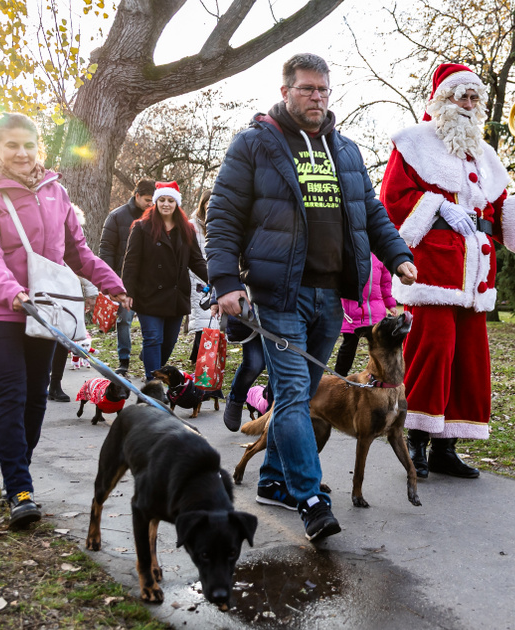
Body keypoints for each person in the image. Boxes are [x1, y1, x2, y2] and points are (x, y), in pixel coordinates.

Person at [206, 53, 417, 542]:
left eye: (322, 89)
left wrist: (397, 254)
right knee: (298, 396)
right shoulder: (255, 145)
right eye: (306, 89)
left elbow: (372, 212)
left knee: (292, 396)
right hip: (280, 293)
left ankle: (274, 480)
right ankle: (309, 497)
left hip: (330, 297)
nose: (316, 97)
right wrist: (225, 282)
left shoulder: (344, 151)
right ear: (286, 92)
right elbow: (223, 216)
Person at [0, 112, 129, 529]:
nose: (21, 153)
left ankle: (19, 471)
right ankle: (19, 487)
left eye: (28, 145)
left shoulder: (56, 192)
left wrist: (113, 284)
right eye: (12, 145)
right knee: (11, 392)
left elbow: (78, 251)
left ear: (40, 148)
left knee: (36, 395)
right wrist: (10, 291)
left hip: (47, 307)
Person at [381, 63, 515, 479]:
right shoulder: (413, 143)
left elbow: (495, 209)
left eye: (474, 98)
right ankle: (413, 440)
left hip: (475, 276)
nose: (468, 105)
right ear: (442, 100)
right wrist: (438, 205)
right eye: (461, 97)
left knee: (468, 360)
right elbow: (393, 199)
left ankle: (445, 447)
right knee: (432, 353)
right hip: (432, 271)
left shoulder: (486, 155)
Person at [122, 181, 208, 380]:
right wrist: (127, 292)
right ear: (156, 202)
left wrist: (218, 280)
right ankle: (153, 386)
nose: (166, 204)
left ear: (176, 203)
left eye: (170, 200)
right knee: (153, 338)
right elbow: (131, 263)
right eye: (162, 200)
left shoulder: (186, 229)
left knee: (168, 343)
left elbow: (196, 261)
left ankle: (153, 366)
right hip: (149, 295)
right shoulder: (142, 227)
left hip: (175, 297)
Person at [98, 179, 156, 376]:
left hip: (150, 282)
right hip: (124, 280)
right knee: (124, 321)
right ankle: (124, 359)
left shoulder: (157, 217)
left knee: (154, 322)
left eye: (153, 201)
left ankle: (147, 353)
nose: (151, 204)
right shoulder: (117, 217)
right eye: (148, 200)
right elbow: (106, 250)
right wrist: (112, 280)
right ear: (137, 195)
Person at [48, 206, 101, 402]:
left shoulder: (75, 235)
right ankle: (38, 381)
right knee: (41, 337)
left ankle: (55, 384)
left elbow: (82, 263)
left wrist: (91, 292)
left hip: (67, 292)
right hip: (41, 290)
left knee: (64, 339)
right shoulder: (44, 231)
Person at [333, 253, 400, 376]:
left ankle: (376, 375)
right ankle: (339, 376)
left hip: (375, 312)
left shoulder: (379, 256)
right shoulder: (349, 253)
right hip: (352, 311)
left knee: (378, 347)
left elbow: (385, 283)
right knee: (348, 347)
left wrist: (390, 304)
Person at [187, 190, 214, 364]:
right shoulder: (192, 226)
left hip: (214, 275)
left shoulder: (220, 224)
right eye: (207, 202)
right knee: (202, 318)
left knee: (211, 319)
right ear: (203, 204)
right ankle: (199, 356)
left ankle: (199, 355)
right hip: (197, 277)